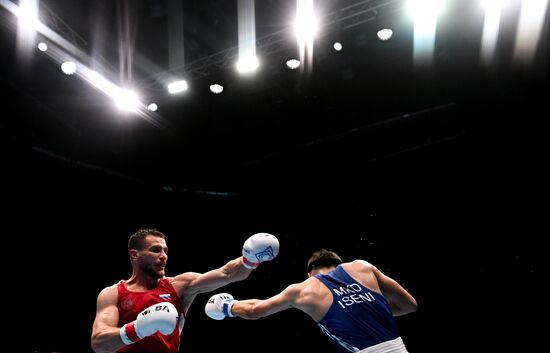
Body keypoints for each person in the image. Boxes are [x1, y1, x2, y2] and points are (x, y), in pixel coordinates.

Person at [91, 229, 279, 353]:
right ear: (134, 254)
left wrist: (250, 259)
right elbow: (99, 343)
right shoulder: (112, 293)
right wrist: (138, 329)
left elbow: (228, 273)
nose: (163, 256)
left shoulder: (180, 285)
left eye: (165, 250)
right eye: (156, 250)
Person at [205, 248, 417, 353]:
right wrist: (367, 308)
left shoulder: (303, 290)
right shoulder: (363, 267)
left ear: (309, 272)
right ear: (339, 263)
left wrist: (227, 307)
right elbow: (409, 305)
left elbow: (255, 310)